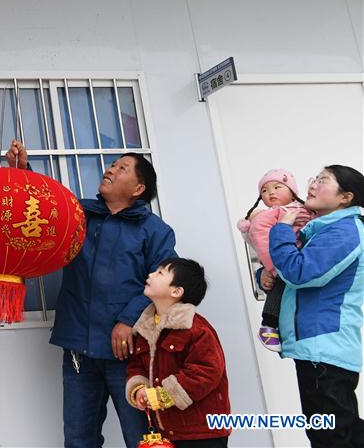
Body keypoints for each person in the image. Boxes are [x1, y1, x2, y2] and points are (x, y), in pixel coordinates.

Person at [6, 140, 177, 447]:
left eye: (122, 167)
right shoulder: (79, 214)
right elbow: (44, 207)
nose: (111, 168)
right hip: (78, 351)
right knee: (78, 440)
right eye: (113, 164)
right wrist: (23, 171)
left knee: (142, 438)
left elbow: (163, 285)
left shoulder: (155, 231)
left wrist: (128, 320)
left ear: (138, 189)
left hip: (129, 352)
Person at [262, 164, 364, 448]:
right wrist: (266, 274)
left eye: (323, 180)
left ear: (346, 197)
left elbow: (301, 272)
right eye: (314, 178)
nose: (313, 184)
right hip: (319, 349)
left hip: (324, 348)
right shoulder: (322, 230)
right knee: (344, 432)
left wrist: (281, 229)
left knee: (330, 437)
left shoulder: (344, 232)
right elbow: (292, 274)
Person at [126, 258, 231, 447]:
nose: (151, 275)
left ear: (176, 291)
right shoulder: (144, 328)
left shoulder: (196, 328)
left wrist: (163, 395)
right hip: (168, 430)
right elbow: (136, 366)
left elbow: (207, 371)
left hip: (202, 431)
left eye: (160, 273)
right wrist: (139, 389)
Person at [236, 168, 313, 351]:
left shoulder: (304, 209)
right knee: (278, 288)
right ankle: (268, 325)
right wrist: (272, 267)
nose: (270, 192)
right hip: (281, 263)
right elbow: (260, 237)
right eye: (264, 190)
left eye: (277, 187)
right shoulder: (269, 214)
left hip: (297, 260)